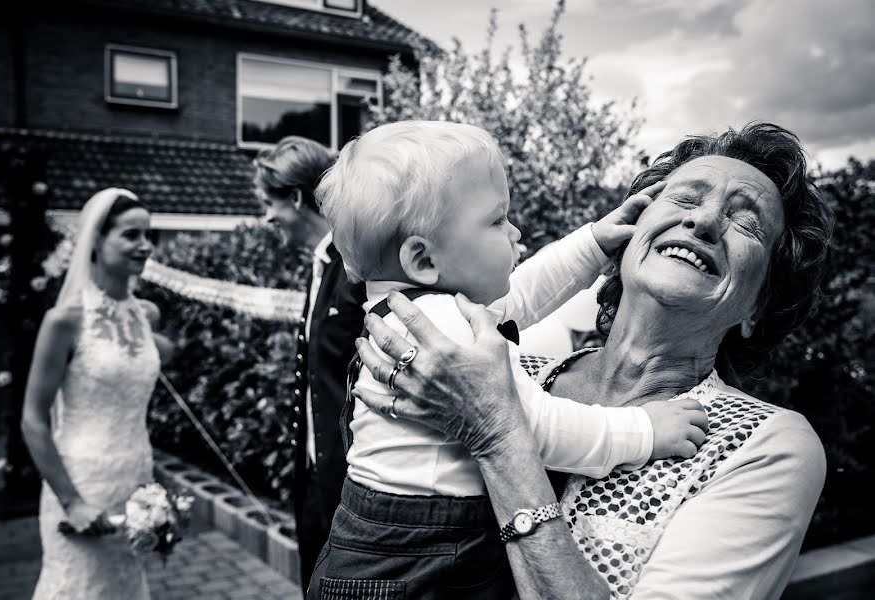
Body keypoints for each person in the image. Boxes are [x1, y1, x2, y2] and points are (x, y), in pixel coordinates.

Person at [353, 122, 833, 599]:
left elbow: (524, 296)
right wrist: (642, 431)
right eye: (685, 199)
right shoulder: (517, 358)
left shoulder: (766, 448)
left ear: (758, 306)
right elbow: (522, 296)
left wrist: (495, 433)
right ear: (631, 237)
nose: (704, 222)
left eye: (746, 222)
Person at [309, 121, 708, 599]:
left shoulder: (424, 309)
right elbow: (530, 430)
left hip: (374, 548)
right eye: (497, 220)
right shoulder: (444, 328)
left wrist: (593, 243)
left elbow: (521, 292)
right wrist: (645, 431)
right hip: (421, 561)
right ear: (422, 259)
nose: (515, 230)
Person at [21, 188, 170, 599]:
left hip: (136, 481)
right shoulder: (63, 321)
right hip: (81, 485)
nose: (145, 245)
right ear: (96, 241)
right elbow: (32, 418)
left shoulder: (147, 315)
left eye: (148, 235)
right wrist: (72, 502)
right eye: (131, 234)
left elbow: (148, 362)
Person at [253, 137, 367, 593]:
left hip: (350, 487)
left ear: (297, 199)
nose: (267, 217)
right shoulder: (321, 263)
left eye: (269, 203)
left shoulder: (353, 263)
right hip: (316, 479)